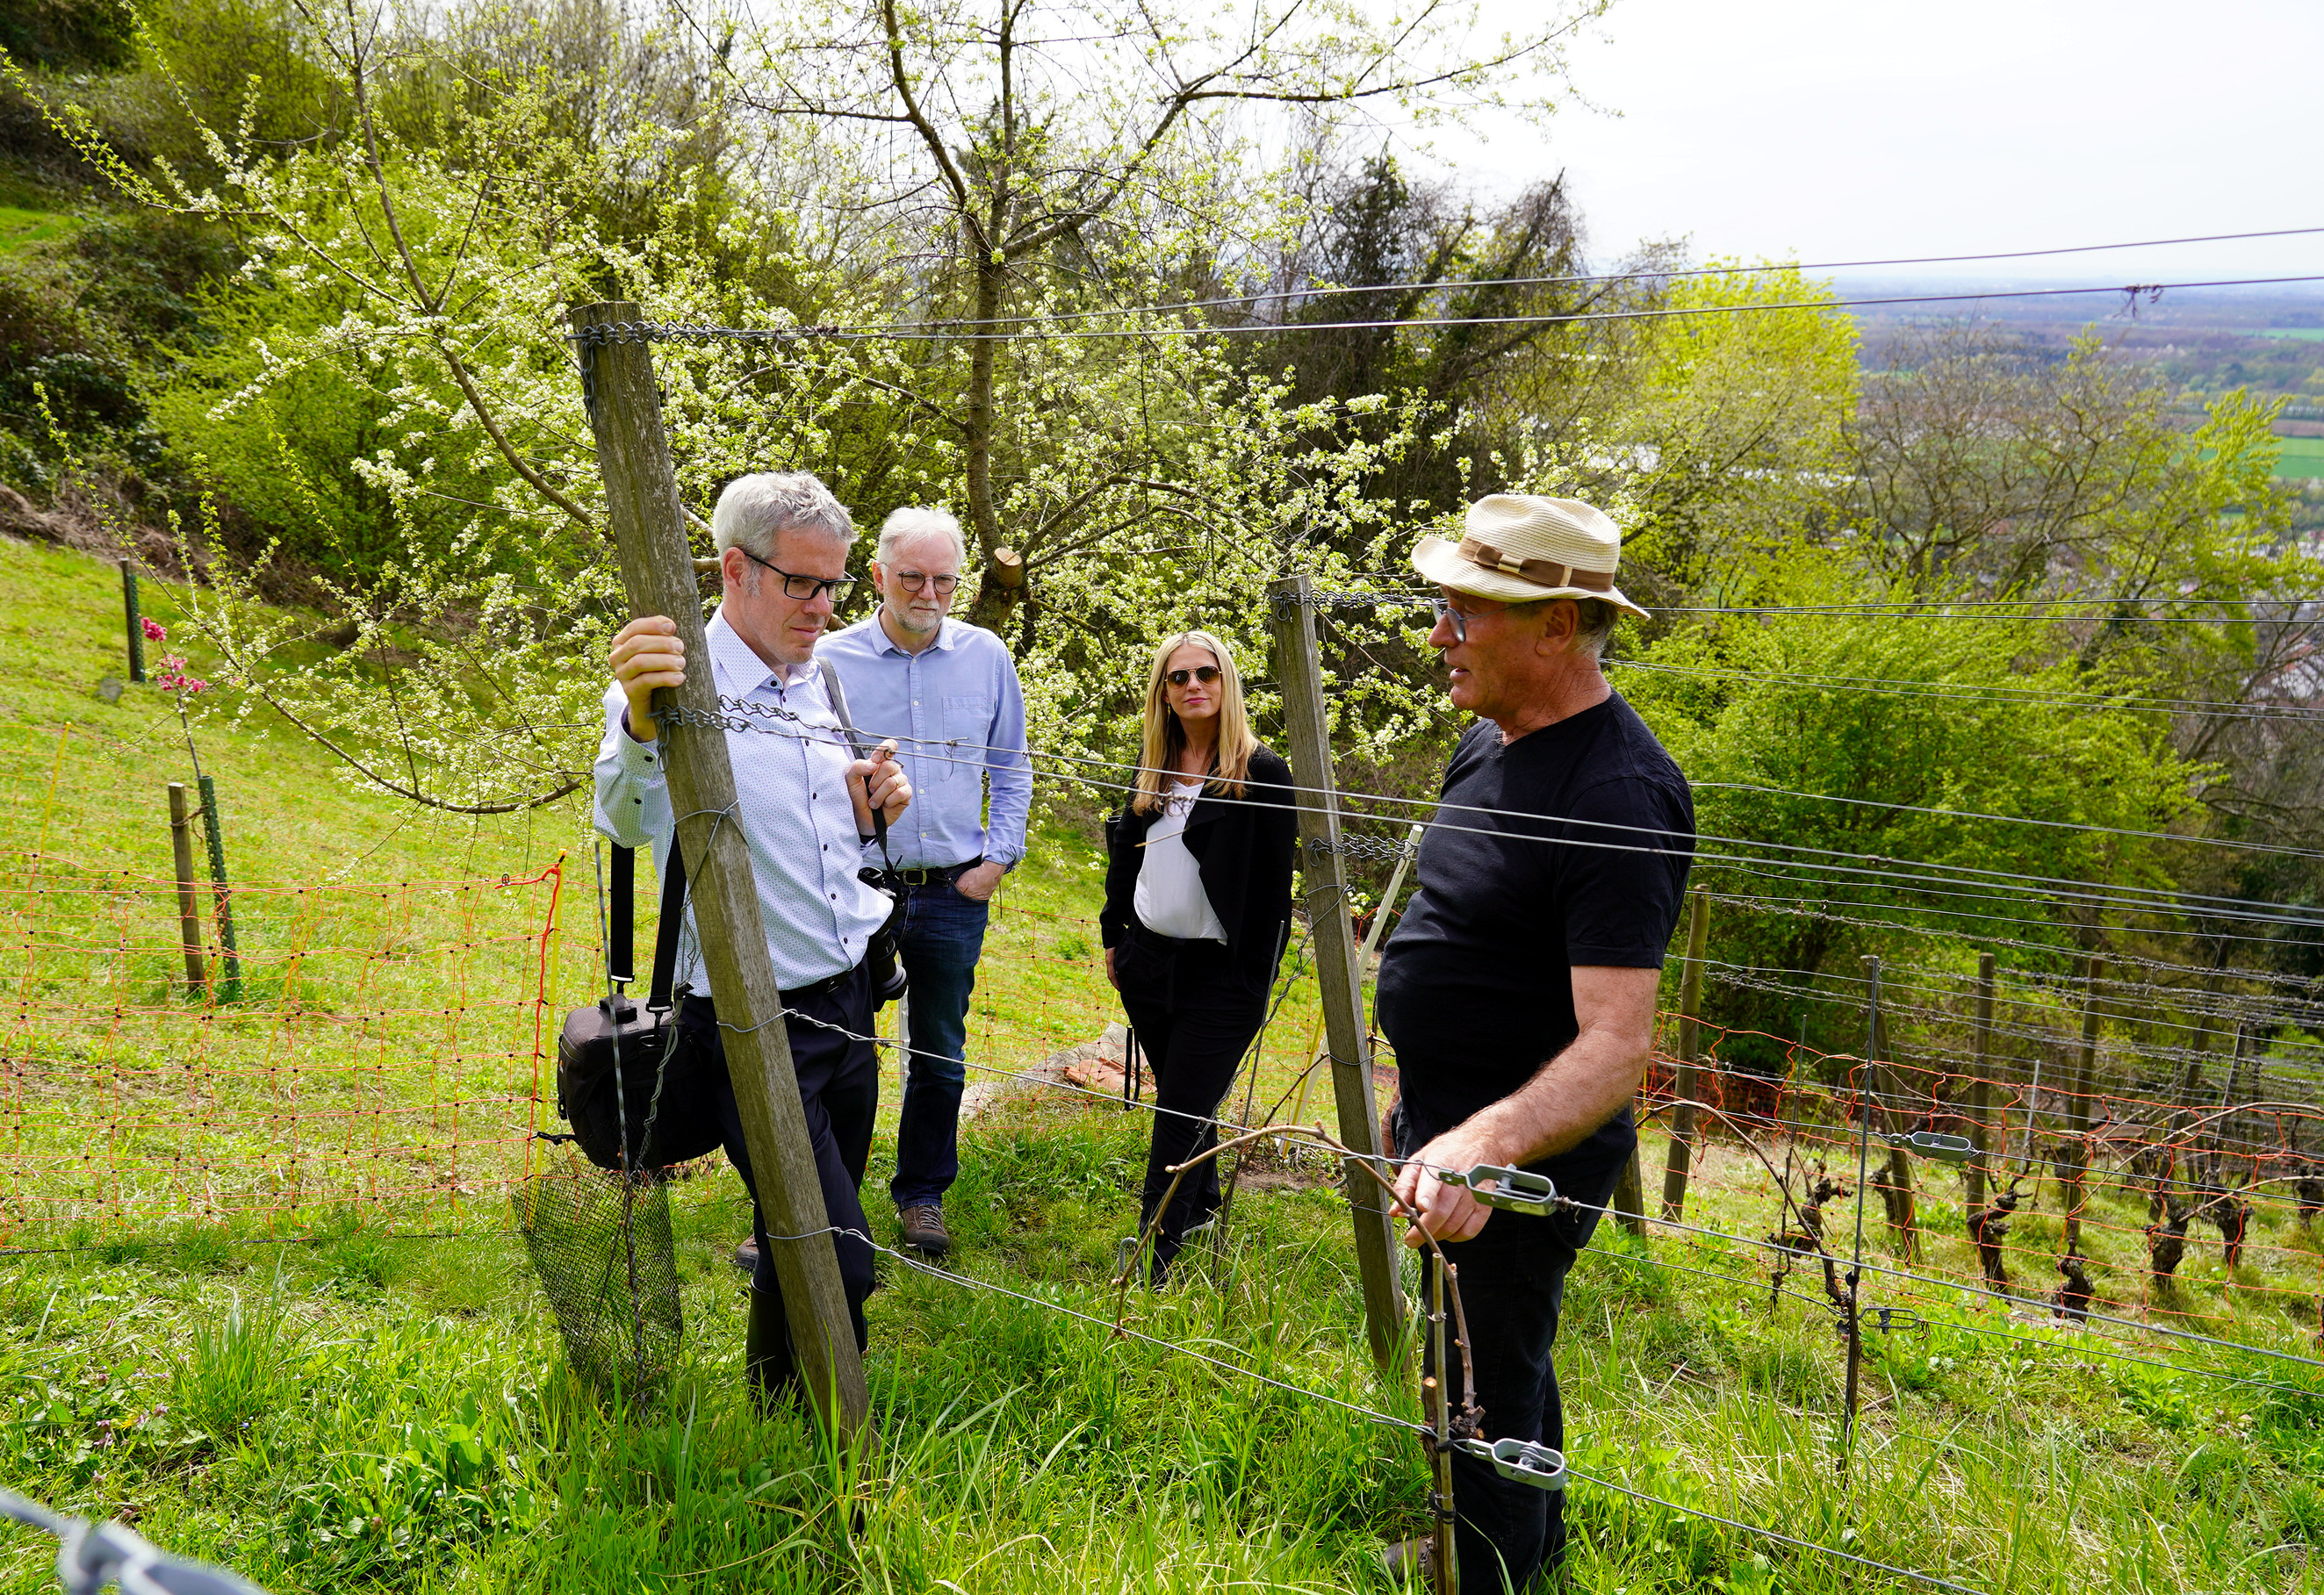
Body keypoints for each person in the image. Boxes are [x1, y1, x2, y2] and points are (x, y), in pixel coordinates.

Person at [1375, 494, 1695, 1591]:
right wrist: (1427, 1105)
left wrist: (1485, 1142)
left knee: (1488, 1367)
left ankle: (1491, 1571)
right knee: (1477, 1343)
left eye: (1466, 612)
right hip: (1448, 1121)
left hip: (1520, 1158)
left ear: (1557, 626)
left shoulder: (1617, 795)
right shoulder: (1489, 740)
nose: (1439, 634)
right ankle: (1515, 1548)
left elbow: (1616, 1045)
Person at [594, 470, 911, 1403]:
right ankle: (839, 1430)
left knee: (795, 1227)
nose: (823, 607)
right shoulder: (673, 682)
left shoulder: (820, 679)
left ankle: (775, 1404)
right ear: (735, 569)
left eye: (834, 584)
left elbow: (814, 832)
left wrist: (869, 807)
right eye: (801, 583)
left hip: (848, 1000)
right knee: (839, 1256)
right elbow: (622, 816)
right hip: (748, 1017)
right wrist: (641, 719)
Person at [816, 507, 1032, 1257]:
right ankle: (826, 1200)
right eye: (912, 577)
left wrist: (996, 861)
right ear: (878, 575)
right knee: (834, 1046)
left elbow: (1012, 767)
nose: (929, 593)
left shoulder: (986, 656)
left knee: (938, 1050)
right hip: (853, 886)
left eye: (944, 579)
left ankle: (922, 1194)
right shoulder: (830, 659)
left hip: (951, 890)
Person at [1098, 631, 1297, 1282]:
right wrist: (1114, 936)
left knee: (1179, 1112)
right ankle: (1203, 1205)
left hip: (1222, 975)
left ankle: (1151, 1259)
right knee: (1187, 1098)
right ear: (1163, 691)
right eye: (1178, 676)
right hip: (1148, 962)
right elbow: (1124, 853)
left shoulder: (1262, 773)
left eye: (1205, 673)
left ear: (1226, 682)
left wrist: (1254, 979)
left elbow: (1274, 892)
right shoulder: (1153, 763)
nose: (1192, 686)